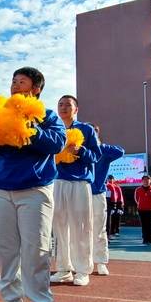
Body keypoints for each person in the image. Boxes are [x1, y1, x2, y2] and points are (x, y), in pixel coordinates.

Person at [0, 67, 66, 302]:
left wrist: (29, 129)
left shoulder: (47, 116)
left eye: (21, 81)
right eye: (13, 81)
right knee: (6, 249)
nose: (15, 85)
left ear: (36, 88)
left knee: (35, 248)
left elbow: (57, 144)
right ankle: (12, 301)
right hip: (0, 189)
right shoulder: (0, 112)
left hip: (35, 190)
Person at [50, 96, 102, 286]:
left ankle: (82, 270)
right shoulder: (54, 129)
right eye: (60, 105)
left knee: (81, 226)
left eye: (68, 105)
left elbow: (96, 155)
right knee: (59, 226)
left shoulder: (86, 129)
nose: (63, 108)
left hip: (80, 183)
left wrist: (79, 150)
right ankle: (64, 268)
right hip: (58, 182)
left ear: (76, 109)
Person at [89, 127, 124, 276]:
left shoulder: (102, 151)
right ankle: (84, 262)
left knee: (99, 229)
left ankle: (101, 262)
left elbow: (120, 151)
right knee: (80, 230)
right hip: (80, 193)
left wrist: (99, 145)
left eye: (93, 132)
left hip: (98, 193)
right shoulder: (78, 149)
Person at [134, 174, 151, 245]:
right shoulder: (138, 189)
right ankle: (145, 239)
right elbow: (136, 199)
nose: (146, 181)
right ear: (142, 181)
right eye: (144, 180)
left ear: (150, 181)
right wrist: (139, 204)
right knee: (144, 225)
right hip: (141, 209)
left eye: (147, 180)